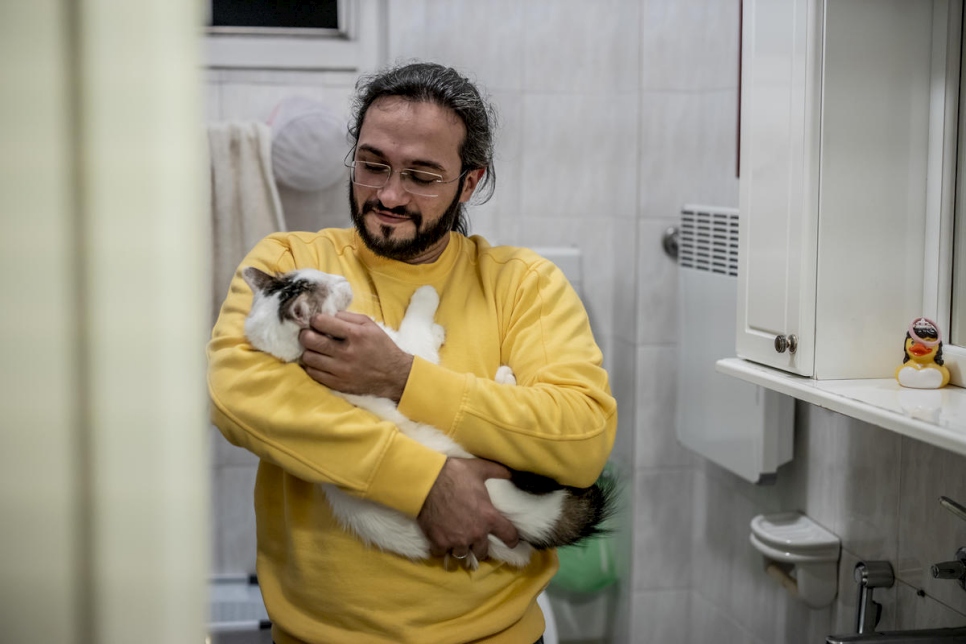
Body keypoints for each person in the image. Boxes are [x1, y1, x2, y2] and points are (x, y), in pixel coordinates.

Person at [207, 61, 617, 644]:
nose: (389, 195)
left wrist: (401, 377)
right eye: (373, 166)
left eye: (422, 176)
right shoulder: (291, 261)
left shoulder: (524, 284)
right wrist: (424, 484)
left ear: (468, 183)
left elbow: (581, 438)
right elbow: (237, 392)